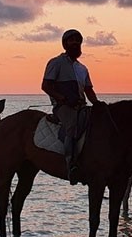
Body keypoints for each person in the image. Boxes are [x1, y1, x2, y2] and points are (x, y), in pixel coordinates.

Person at [42, 28, 100, 184]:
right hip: (63, 107)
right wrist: (63, 99)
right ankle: (71, 164)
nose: (75, 43)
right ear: (65, 44)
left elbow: (88, 90)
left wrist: (98, 104)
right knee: (72, 126)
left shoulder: (82, 68)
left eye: (78, 41)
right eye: (71, 40)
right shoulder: (56, 63)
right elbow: (46, 86)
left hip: (81, 106)